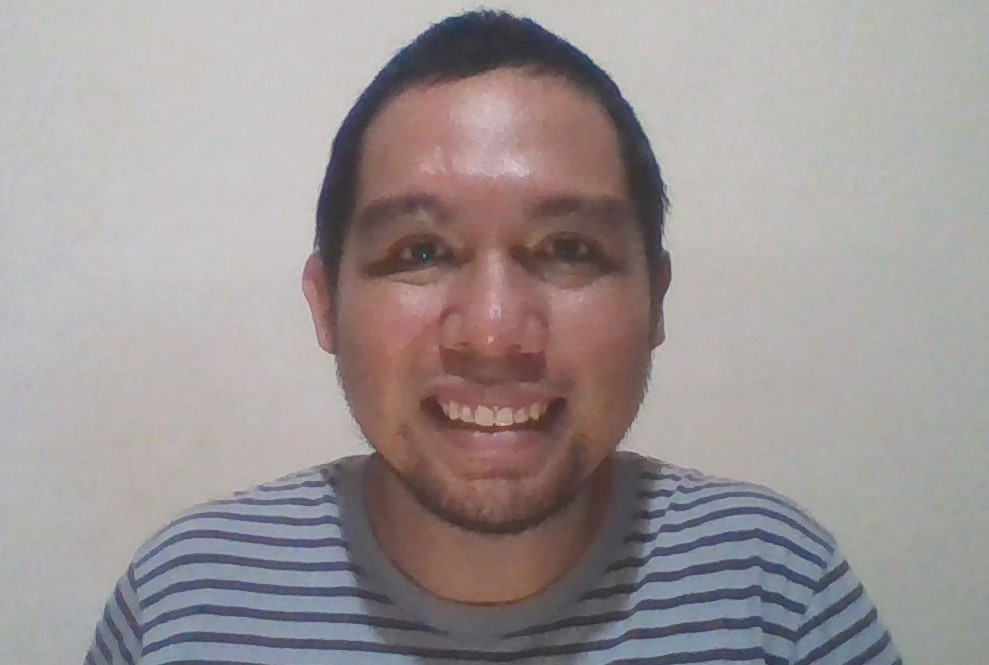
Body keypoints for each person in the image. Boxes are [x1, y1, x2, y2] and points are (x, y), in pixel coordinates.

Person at [86, 10, 900, 665]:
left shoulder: (771, 587)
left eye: (569, 250)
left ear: (655, 300)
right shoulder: (186, 601)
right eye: (420, 252)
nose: (494, 332)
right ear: (325, 304)